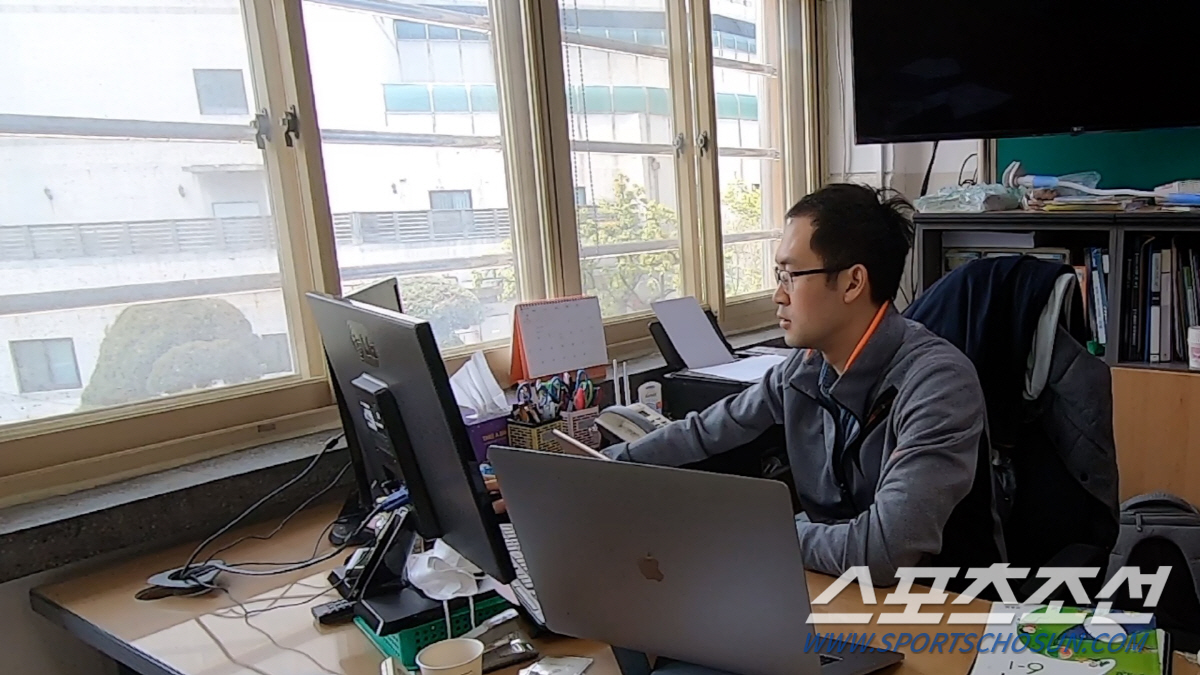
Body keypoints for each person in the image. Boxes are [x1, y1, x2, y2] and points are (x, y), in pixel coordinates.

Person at [600, 183, 1003, 584]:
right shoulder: (804, 369)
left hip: (943, 604)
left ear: (853, 283)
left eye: (791, 275)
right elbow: (705, 432)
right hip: (833, 585)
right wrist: (602, 467)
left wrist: (745, 532)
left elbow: (883, 552)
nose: (778, 295)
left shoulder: (939, 384)